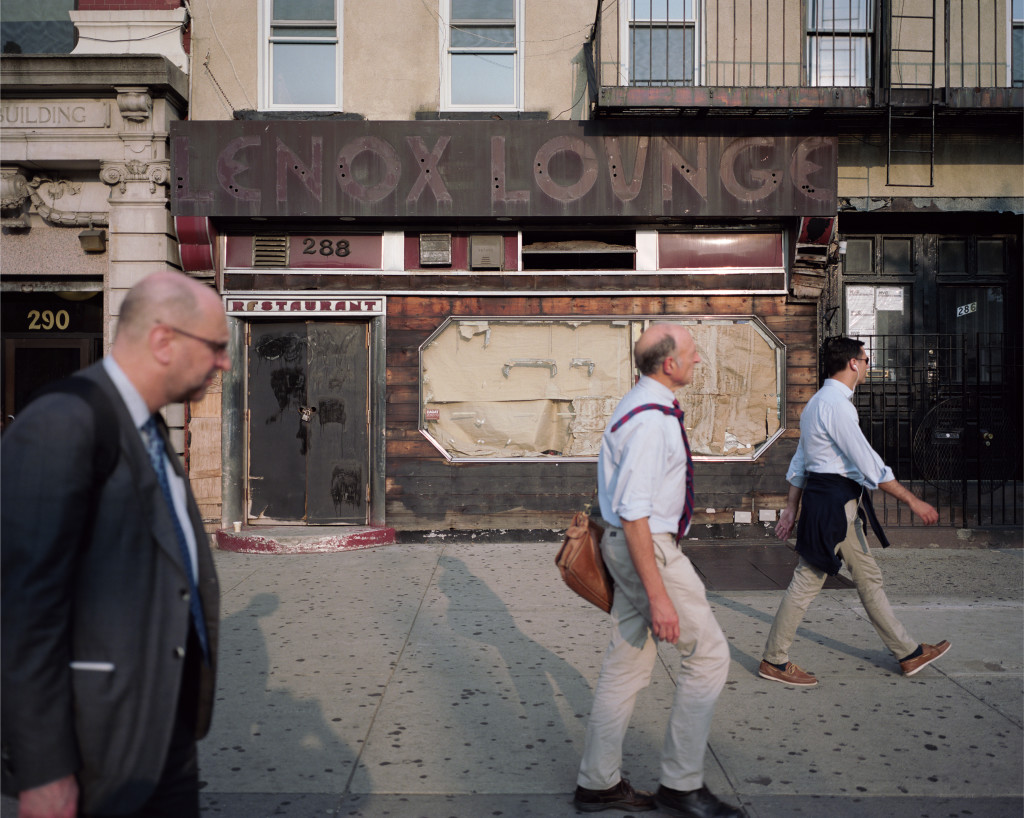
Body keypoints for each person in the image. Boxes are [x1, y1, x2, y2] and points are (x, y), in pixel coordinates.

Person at [2, 271, 230, 818]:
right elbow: (21, 610)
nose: (224, 362)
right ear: (162, 341)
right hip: (96, 743)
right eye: (217, 347)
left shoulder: (148, 427)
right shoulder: (63, 422)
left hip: (159, 728)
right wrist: (45, 770)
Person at [574, 323, 745, 818]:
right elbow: (634, 513)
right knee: (709, 655)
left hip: (631, 545)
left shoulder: (642, 405)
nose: (699, 360)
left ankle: (597, 783)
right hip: (647, 547)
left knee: (627, 661)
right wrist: (660, 596)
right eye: (692, 353)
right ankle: (681, 785)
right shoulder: (651, 420)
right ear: (668, 364)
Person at [759, 336, 949, 688]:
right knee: (807, 580)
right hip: (833, 505)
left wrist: (790, 509)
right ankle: (774, 659)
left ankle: (908, 653)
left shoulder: (818, 403)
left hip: (834, 503)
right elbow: (867, 462)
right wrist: (912, 500)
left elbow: (801, 462)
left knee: (867, 577)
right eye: (865, 358)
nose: (867, 364)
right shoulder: (836, 406)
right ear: (852, 364)